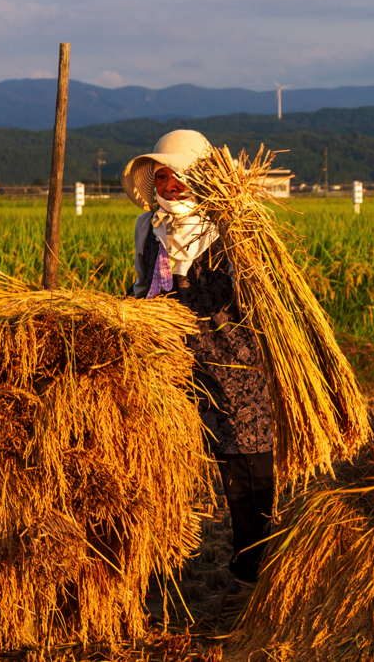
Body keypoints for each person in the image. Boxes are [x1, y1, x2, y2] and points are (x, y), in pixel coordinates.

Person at [122, 130, 275, 589]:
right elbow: (140, 286)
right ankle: (150, 566)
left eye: (181, 175)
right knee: (152, 462)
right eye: (163, 176)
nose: (171, 185)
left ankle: (251, 571)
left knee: (246, 470)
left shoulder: (233, 230)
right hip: (168, 366)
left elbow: (259, 297)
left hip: (231, 366)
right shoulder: (148, 230)